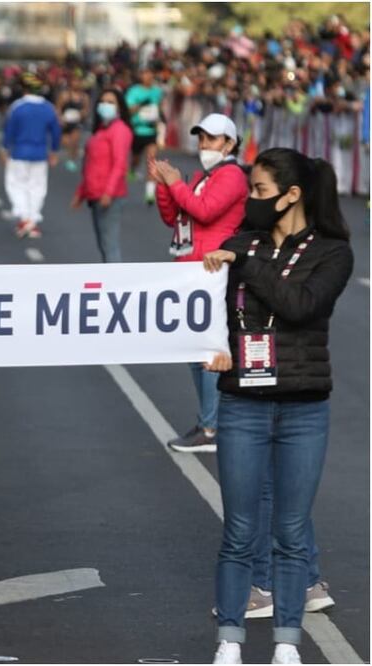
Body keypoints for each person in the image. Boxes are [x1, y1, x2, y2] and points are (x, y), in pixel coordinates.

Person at [202, 148, 353, 665]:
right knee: (239, 531)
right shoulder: (238, 243)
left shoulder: (332, 253)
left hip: (304, 410)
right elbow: (214, 313)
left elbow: (301, 306)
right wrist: (213, 347)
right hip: (243, 404)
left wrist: (247, 265)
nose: (251, 199)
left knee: (290, 533)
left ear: (292, 195)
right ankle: (229, 640)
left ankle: (287, 644)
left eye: (260, 191)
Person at [150, 113, 247, 453]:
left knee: (206, 350)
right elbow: (175, 218)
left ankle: (211, 427)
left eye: (212, 138)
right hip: (192, 269)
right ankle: (209, 422)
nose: (205, 144)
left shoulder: (231, 175)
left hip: (211, 271)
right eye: (201, 138)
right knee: (195, 349)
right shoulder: (205, 176)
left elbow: (205, 211)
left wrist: (175, 183)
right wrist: (164, 186)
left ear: (229, 144)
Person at [71, 88, 133, 262]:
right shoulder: (100, 130)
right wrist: (81, 192)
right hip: (95, 194)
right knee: (103, 245)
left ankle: (114, 278)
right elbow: (90, 165)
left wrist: (108, 192)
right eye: (103, 101)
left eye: (111, 102)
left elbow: (120, 164)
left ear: (119, 107)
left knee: (109, 245)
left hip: (109, 196)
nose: (106, 105)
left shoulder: (119, 130)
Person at [0, 72, 60, 239]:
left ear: (24, 89)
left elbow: (9, 130)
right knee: (37, 187)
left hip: (19, 153)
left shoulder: (17, 107)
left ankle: (24, 219)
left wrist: (4, 149)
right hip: (40, 154)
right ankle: (32, 221)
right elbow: (56, 132)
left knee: (16, 185)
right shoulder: (48, 108)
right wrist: (54, 151)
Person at [126, 66, 165, 205]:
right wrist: (142, 104)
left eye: (149, 73)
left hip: (151, 131)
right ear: (140, 76)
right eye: (144, 73)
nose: (147, 76)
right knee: (136, 159)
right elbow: (129, 111)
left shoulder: (157, 91)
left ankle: (149, 193)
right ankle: (132, 169)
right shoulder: (133, 91)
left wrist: (161, 122)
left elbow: (159, 108)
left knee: (151, 161)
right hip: (137, 130)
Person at [57, 79, 90, 172]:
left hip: (76, 122)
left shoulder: (84, 97)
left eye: (78, 81)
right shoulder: (64, 95)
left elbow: (86, 110)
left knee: (74, 140)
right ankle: (73, 151)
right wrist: (60, 119)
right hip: (65, 122)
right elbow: (58, 108)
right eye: (74, 81)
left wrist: (82, 114)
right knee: (65, 141)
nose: (76, 83)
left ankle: (71, 159)